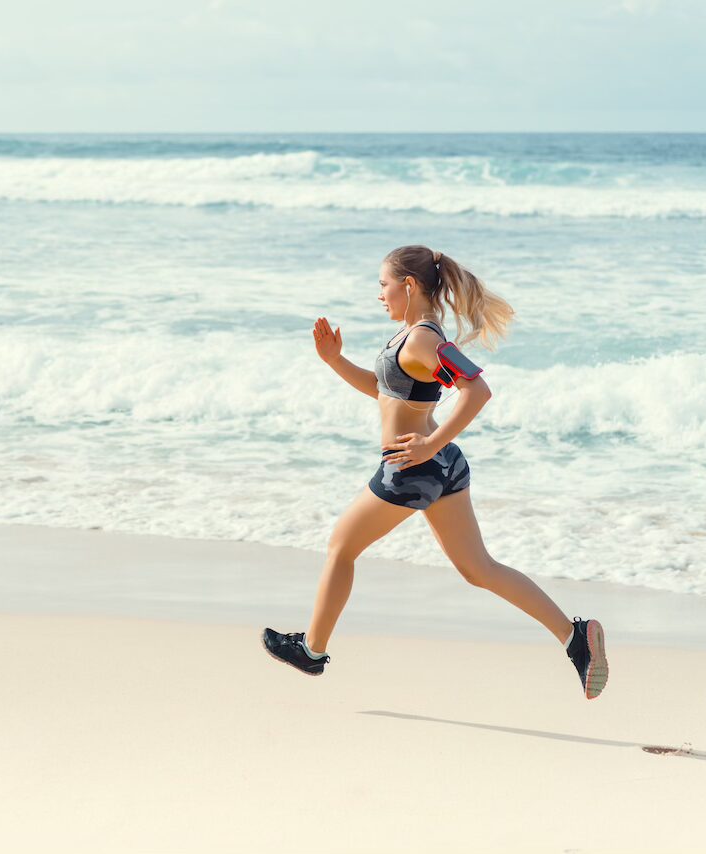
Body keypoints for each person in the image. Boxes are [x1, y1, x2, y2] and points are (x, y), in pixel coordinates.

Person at [261, 245, 608, 699]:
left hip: (411, 466)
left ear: (408, 285)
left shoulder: (425, 339)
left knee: (341, 546)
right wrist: (334, 361)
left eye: (383, 285)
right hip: (442, 466)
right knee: (479, 569)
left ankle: (311, 650)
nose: (379, 295)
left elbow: (477, 391)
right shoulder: (411, 337)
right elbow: (385, 390)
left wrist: (430, 442)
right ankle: (573, 638)